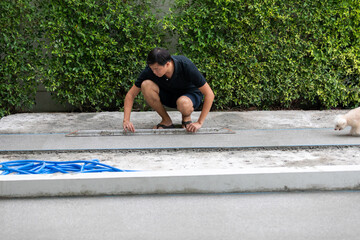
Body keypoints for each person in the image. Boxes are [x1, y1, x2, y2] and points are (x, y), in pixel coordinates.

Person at [123, 47, 214, 133]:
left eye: (156, 69)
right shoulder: (150, 70)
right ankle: (166, 121)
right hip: (169, 96)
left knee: (183, 103)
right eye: (152, 69)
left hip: (189, 97)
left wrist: (199, 122)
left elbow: (209, 94)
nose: (153, 72)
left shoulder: (185, 64)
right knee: (145, 85)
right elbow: (131, 95)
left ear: (167, 64)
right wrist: (126, 120)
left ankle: (186, 118)